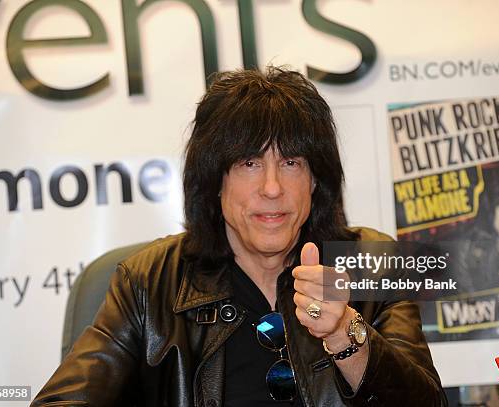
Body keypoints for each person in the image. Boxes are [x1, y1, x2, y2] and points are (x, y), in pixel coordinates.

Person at [32, 66, 446, 406]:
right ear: (215, 181)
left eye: (290, 162)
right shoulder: (149, 281)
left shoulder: (372, 263)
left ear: (316, 180)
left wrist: (347, 334)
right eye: (249, 163)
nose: (271, 188)